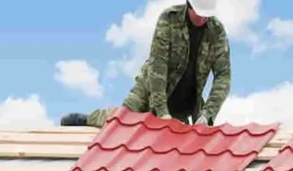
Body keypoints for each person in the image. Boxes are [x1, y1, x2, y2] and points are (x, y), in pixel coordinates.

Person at [61, 0, 230, 128]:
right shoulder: (169, 19)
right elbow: (158, 65)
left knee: (174, 139)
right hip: (150, 88)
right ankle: (87, 119)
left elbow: (223, 76)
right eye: (200, 13)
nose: (203, 18)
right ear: (189, 6)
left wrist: (207, 114)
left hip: (185, 101)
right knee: (122, 122)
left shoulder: (217, 32)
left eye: (207, 15)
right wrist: (161, 111)